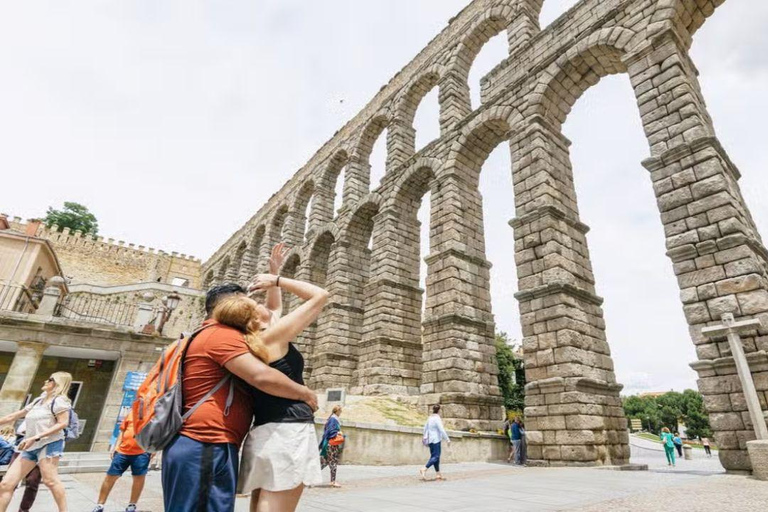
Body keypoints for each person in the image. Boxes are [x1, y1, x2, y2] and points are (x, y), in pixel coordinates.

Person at [160, 278, 320, 512]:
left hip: (215, 442)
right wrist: (304, 393)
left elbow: (274, 311)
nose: (254, 307)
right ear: (231, 306)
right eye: (249, 303)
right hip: (206, 442)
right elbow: (261, 377)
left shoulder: (222, 336)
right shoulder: (221, 336)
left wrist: (275, 279)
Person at [215, 265, 329, 512]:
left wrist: (274, 277)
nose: (263, 304)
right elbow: (320, 294)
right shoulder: (272, 338)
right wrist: (278, 279)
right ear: (254, 317)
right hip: (288, 433)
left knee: (262, 505)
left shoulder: (251, 342)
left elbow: (275, 309)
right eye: (254, 302)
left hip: (265, 432)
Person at [0, 372, 73, 512]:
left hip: (49, 444)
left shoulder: (59, 401)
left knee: (50, 480)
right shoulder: (39, 400)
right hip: (31, 445)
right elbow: (14, 415)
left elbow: (63, 423)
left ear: (58, 383)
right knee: (6, 484)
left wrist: (36, 437)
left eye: (50, 379)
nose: (46, 381)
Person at [91, 411, 151, 512]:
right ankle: (100, 505)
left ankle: (132, 505)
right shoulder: (132, 413)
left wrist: (152, 449)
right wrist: (116, 446)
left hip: (142, 452)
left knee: (138, 479)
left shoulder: (153, 414)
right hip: (123, 451)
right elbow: (122, 430)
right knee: (110, 477)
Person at [2, 421, 42, 512]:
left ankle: (23, 510)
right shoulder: (33, 409)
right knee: (8, 483)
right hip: (20, 449)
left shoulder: (63, 409)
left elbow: (70, 431)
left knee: (32, 482)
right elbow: (19, 428)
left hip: (39, 451)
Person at [420, 405, 450, 481]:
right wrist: (447, 439)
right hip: (436, 440)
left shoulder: (429, 418)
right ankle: (424, 468)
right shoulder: (437, 419)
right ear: (439, 411)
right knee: (436, 457)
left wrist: (425, 437)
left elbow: (425, 428)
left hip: (430, 440)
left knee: (435, 457)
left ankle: (438, 474)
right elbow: (442, 430)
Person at [319, 406, 344, 488]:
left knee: (324, 462)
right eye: (340, 411)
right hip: (331, 445)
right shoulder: (333, 419)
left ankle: (306, 477)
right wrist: (338, 433)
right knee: (333, 462)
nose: (341, 412)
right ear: (337, 411)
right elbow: (331, 431)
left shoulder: (333, 418)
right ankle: (333, 481)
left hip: (329, 444)